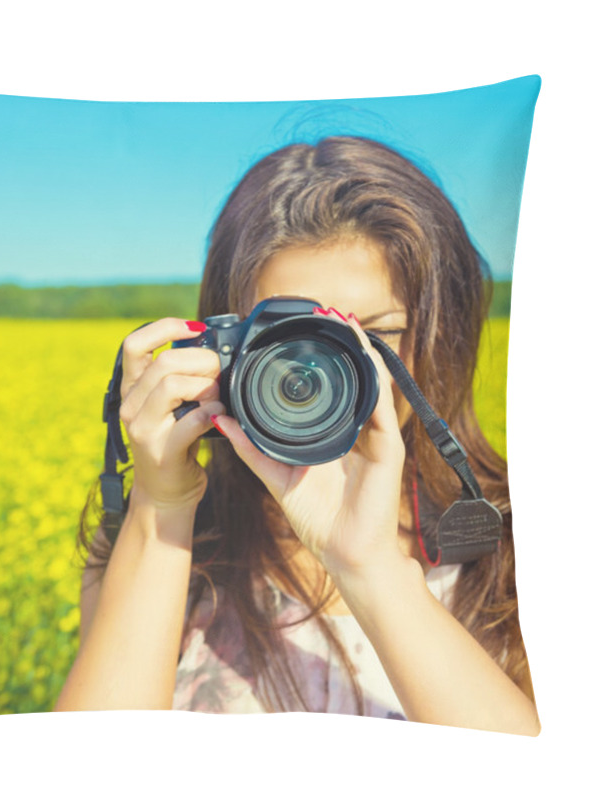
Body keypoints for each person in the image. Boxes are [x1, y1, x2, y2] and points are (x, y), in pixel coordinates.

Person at [53, 136, 539, 734]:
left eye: (377, 335)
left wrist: (371, 567)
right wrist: (162, 504)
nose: (326, 367)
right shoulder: (168, 539)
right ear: (226, 347)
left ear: (444, 334)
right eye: (290, 338)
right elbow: (89, 778)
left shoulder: (518, 537)